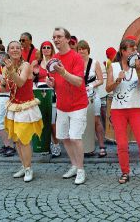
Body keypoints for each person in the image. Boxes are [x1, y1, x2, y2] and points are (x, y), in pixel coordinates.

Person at [105, 37, 140, 184]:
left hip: (135, 108)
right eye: (132, 49)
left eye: (136, 48)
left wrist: (139, 69)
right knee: (121, 144)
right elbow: (108, 88)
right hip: (118, 110)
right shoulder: (113, 66)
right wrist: (117, 81)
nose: (135, 51)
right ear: (123, 51)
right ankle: (125, 172)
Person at [46, 27, 89, 185]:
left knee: (75, 137)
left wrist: (63, 73)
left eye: (59, 37)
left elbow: (78, 82)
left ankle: (81, 170)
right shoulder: (54, 58)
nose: (56, 39)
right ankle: (74, 165)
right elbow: (58, 82)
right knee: (64, 137)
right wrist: (52, 83)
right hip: (62, 105)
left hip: (78, 105)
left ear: (67, 39)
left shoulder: (76, 57)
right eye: (54, 37)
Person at [2, 41, 43, 182]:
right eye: (12, 48)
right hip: (13, 106)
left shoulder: (25, 65)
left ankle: (28, 168)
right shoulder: (7, 66)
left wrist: (10, 71)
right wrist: (3, 79)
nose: (15, 50)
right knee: (17, 140)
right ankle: (23, 165)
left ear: (21, 51)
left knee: (24, 139)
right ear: (8, 51)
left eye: (18, 48)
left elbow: (20, 82)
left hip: (26, 106)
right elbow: (5, 88)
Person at [32, 41, 61, 157]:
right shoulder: (37, 63)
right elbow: (32, 78)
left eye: (48, 47)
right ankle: (45, 144)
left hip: (53, 93)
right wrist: (34, 72)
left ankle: (56, 144)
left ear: (52, 49)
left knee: (53, 121)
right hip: (39, 93)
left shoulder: (56, 62)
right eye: (44, 47)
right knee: (42, 120)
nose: (46, 49)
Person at [77, 40, 106, 157]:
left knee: (96, 120)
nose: (82, 51)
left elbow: (101, 79)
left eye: (84, 49)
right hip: (79, 97)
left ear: (88, 50)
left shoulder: (95, 63)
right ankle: (85, 147)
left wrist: (91, 85)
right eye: (79, 49)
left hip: (93, 96)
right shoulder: (75, 63)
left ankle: (101, 146)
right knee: (80, 122)